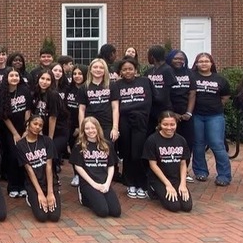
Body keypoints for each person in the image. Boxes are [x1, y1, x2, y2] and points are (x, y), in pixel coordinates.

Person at [188, 52, 232, 186]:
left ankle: (224, 175)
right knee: (198, 145)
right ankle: (201, 171)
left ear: (211, 63)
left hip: (215, 116)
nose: (203, 63)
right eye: (200, 61)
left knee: (217, 145)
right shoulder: (192, 77)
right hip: (196, 116)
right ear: (196, 64)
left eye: (206, 61)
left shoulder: (220, 79)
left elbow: (225, 97)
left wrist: (214, 106)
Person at [115, 57, 154, 199]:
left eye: (130, 69)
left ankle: (142, 184)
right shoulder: (117, 85)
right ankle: (130, 183)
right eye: (124, 69)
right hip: (124, 123)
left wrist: (126, 107)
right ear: (120, 72)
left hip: (141, 122)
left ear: (136, 70)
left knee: (138, 153)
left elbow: (147, 102)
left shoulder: (145, 82)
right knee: (127, 153)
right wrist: (127, 108)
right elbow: (116, 106)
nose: (127, 72)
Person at [70, 117, 121, 218]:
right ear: (83, 130)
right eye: (87, 128)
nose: (90, 131)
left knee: (116, 212)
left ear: (98, 128)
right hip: (88, 183)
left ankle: (99, 196)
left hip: (104, 182)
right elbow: (78, 167)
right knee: (103, 211)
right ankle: (84, 198)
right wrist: (94, 184)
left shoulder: (107, 145)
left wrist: (107, 184)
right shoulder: (79, 146)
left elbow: (111, 166)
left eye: (93, 128)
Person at [143, 112, 193, 212]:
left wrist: (183, 184)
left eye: (172, 124)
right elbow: (153, 165)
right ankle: (153, 189)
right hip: (159, 179)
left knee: (187, 207)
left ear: (176, 124)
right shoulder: (152, 140)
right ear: (160, 124)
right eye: (165, 124)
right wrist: (168, 185)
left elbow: (183, 163)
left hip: (175, 178)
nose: (169, 128)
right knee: (174, 207)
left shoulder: (181, 140)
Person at [16, 115, 60, 222]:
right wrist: (40, 193)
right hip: (33, 183)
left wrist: (50, 193)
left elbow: (49, 167)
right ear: (28, 124)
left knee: (54, 217)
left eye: (40, 125)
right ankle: (30, 197)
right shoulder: (21, 145)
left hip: (48, 181)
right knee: (42, 217)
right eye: (35, 124)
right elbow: (29, 170)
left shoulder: (47, 141)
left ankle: (53, 192)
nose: (37, 127)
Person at [0, 67, 31, 197]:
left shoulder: (24, 90)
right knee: (12, 156)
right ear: (6, 78)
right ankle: (13, 186)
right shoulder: (2, 93)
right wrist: (15, 134)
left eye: (16, 75)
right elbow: (4, 116)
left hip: (25, 128)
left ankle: (22, 185)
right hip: (10, 130)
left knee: (23, 156)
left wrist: (27, 130)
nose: (14, 78)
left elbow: (28, 110)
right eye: (11, 75)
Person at [77, 58, 119, 145]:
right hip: (90, 125)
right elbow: (81, 110)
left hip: (107, 125)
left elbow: (115, 108)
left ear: (105, 70)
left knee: (108, 151)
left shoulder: (112, 85)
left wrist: (115, 128)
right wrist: (82, 129)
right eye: (95, 67)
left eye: (101, 67)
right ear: (90, 70)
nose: (98, 70)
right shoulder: (84, 87)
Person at [166, 49, 195, 157]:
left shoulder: (189, 73)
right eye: (176, 58)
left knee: (188, 142)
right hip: (170, 112)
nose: (179, 61)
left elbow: (192, 93)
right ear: (170, 59)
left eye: (181, 59)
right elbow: (165, 94)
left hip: (186, 113)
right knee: (170, 142)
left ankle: (185, 168)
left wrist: (189, 113)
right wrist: (172, 113)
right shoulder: (167, 72)